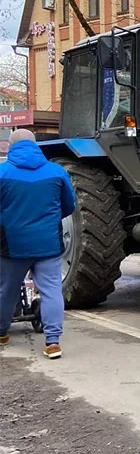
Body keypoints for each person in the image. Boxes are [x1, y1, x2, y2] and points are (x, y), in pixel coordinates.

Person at [0, 129, 75, 358]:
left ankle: (2, 332)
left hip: (11, 244)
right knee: (52, 291)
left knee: (6, 291)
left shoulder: (2, 171)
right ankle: (53, 342)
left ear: (10, 146)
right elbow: (69, 206)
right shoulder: (56, 171)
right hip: (48, 244)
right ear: (36, 146)